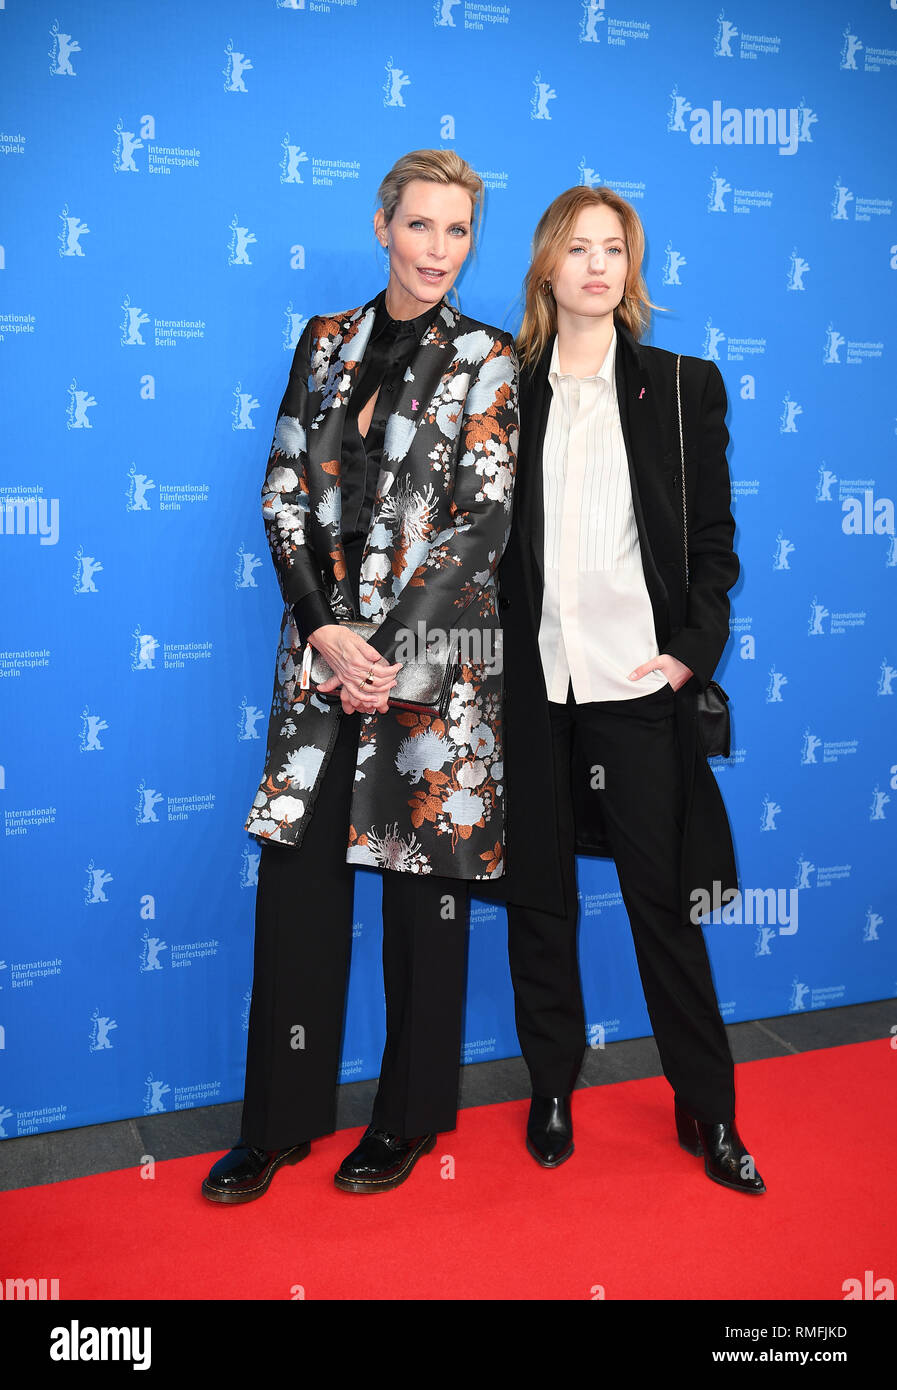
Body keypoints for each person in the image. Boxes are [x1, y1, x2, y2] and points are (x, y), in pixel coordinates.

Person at [203, 149, 518, 1203]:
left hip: (432, 677)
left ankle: (408, 1117)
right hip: (325, 666)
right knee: (298, 895)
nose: (438, 250)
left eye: (458, 231)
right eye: (421, 226)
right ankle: (277, 1123)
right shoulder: (326, 342)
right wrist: (328, 633)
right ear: (384, 225)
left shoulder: (490, 356)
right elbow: (284, 484)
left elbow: (482, 521)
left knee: (424, 906)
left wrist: (389, 653)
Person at [494, 185, 764, 1194]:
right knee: (541, 902)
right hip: (530, 691)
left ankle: (710, 1106)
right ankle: (553, 1087)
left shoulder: (685, 388)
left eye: (616, 249)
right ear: (547, 268)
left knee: (667, 903)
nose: (598, 266)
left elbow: (712, 549)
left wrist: (692, 651)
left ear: (631, 268)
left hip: (637, 687)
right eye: (579, 248)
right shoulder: (502, 387)